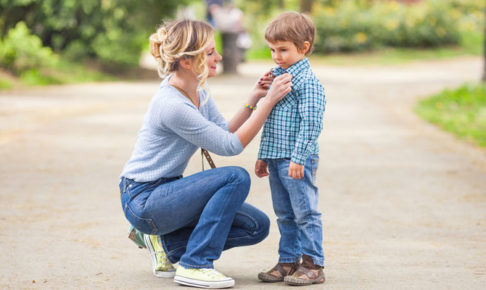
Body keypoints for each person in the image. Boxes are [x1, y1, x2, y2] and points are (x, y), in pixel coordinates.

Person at [119, 19, 292, 289]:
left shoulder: (198, 90)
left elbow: (222, 133)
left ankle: (164, 242)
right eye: (210, 52)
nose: (218, 57)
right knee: (235, 177)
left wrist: (254, 98)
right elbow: (231, 147)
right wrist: (268, 104)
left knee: (256, 226)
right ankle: (195, 264)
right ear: (187, 62)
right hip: (143, 198)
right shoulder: (172, 105)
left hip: (168, 191)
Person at [254, 12, 326, 286]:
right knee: (284, 213)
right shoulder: (277, 78)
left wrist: (300, 158)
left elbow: (311, 124)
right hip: (276, 158)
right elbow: (270, 121)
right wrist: (263, 156)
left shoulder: (308, 83)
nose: (276, 55)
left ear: (303, 47)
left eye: (283, 49)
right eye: (272, 49)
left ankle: (313, 264)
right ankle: (288, 260)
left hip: (297, 160)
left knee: (305, 212)